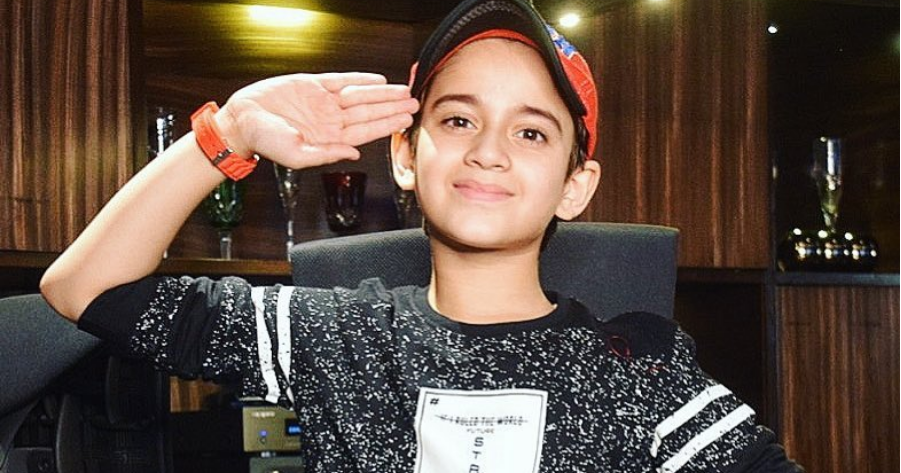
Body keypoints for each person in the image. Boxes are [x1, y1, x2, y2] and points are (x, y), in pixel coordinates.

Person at [40, 0, 803, 471]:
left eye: (531, 132)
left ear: (575, 184)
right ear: (405, 156)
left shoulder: (632, 365)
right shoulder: (333, 333)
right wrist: (229, 130)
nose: (488, 150)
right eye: (459, 118)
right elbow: (82, 288)